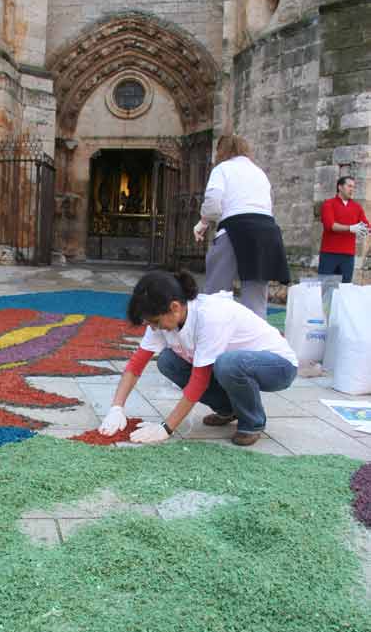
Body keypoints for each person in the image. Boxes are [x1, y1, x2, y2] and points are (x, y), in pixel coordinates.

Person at [99, 270, 298, 447]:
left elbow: (199, 380)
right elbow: (136, 365)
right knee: (168, 361)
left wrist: (166, 428)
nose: (153, 328)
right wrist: (116, 407)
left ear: (175, 307)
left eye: (155, 322)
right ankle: (229, 410)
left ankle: (252, 422)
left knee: (227, 364)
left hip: (278, 366)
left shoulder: (210, 316)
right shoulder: (162, 318)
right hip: (235, 365)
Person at [193, 134, 290, 320]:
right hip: (267, 232)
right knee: (256, 300)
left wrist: (203, 222)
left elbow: (213, 204)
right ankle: (254, 343)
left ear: (222, 151)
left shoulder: (223, 169)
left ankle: (213, 335)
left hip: (236, 229)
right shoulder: (260, 173)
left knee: (216, 293)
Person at [318, 176, 369, 283]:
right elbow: (330, 225)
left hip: (348, 255)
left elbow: (366, 226)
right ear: (340, 187)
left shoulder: (357, 207)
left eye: (353, 187)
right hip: (329, 254)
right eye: (349, 186)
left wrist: (364, 230)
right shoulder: (328, 204)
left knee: (344, 290)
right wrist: (350, 228)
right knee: (326, 291)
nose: (352, 189)